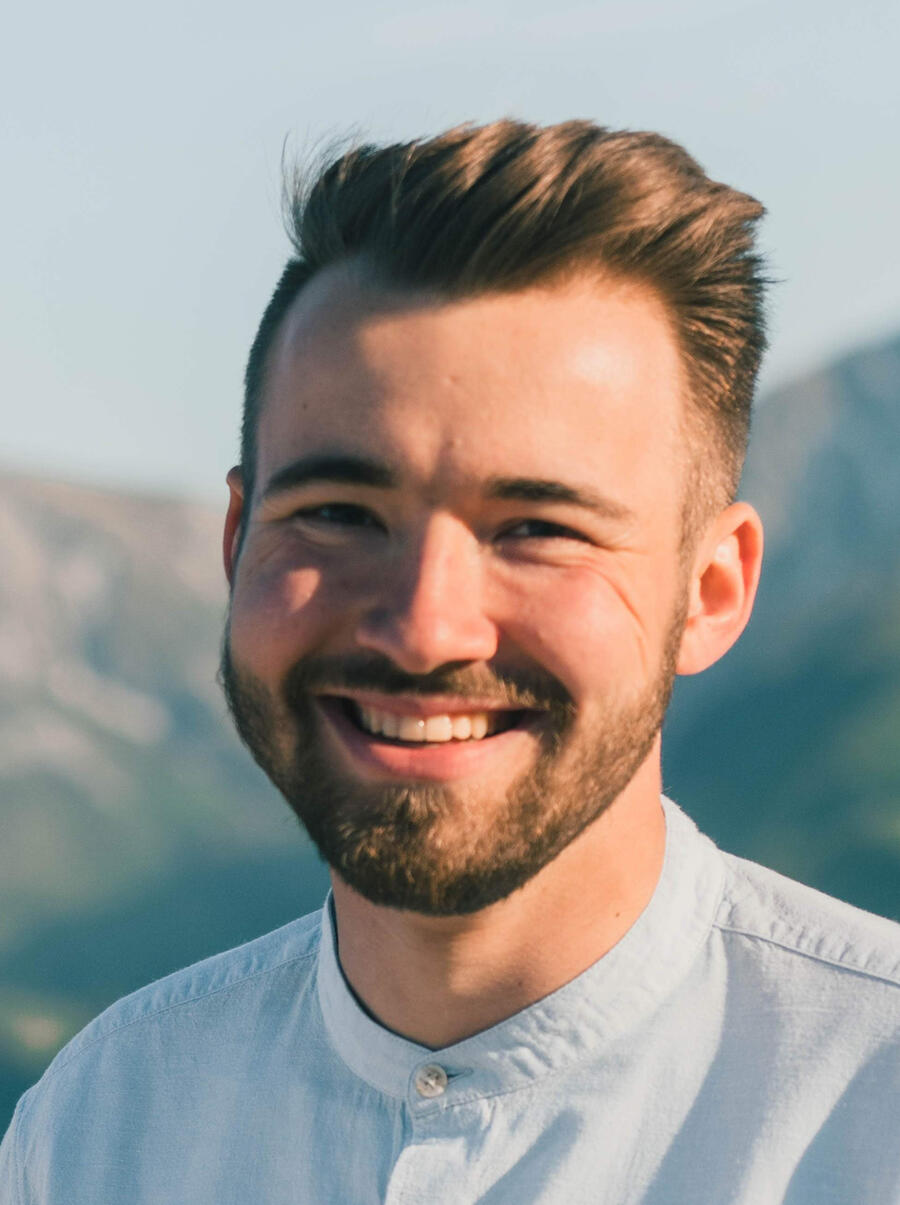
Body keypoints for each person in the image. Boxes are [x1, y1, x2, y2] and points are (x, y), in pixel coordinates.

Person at [2, 119, 898, 1204]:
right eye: (339, 512)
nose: (425, 628)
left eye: (537, 528)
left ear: (711, 590)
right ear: (237, 544)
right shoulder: (101, 1124)